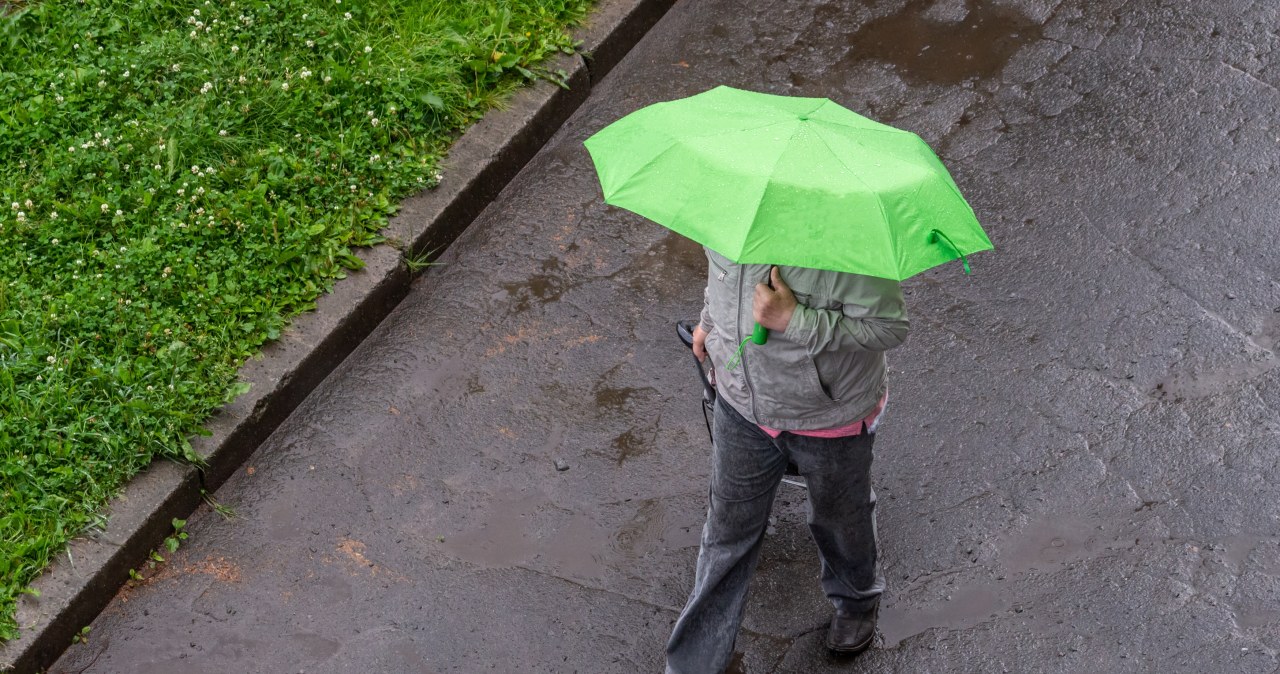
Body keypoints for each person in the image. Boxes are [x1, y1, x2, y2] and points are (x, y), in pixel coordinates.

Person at [665, 247, 909, 674]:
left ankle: (856, 599)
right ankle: (693, 666)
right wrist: (708, 322)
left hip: (829, 417)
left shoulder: (844, 244)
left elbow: (889, 326)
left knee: (839, 518)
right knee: (726, 532)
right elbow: (723, 282)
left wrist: (795, 320)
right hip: (741, 406)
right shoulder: (734, 216)